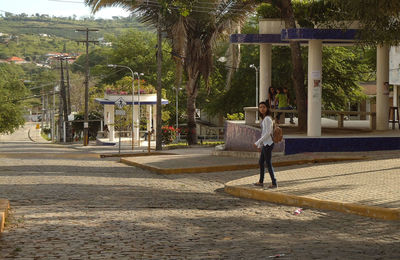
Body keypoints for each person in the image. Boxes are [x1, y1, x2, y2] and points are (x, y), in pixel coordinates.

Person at [253, 102, 277, 188]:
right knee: (261, 162)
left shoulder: (267, 119)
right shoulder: (264, 119)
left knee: (268, 163)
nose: (262, 109)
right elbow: (263, 133)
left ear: (267, 108)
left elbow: (268, 133)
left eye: (263, 107)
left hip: (268, 144)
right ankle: (261, 181)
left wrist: (258, 142)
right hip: (265, 144)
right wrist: (260, 145)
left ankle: (274, 183)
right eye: (260, 107)